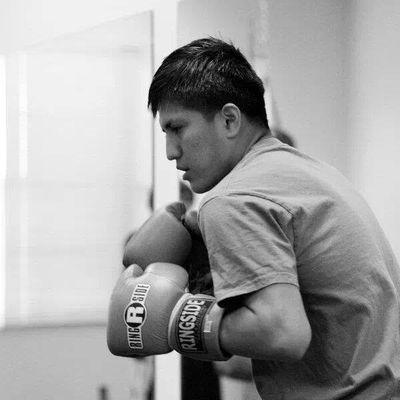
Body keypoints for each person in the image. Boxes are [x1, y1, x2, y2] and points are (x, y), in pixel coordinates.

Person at [145, 37, 400, 399]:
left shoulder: (233, 197)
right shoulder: (308, 172)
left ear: (230, 119)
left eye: (177, 128)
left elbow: (282, 333)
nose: (171, 151)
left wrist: (179, 321)